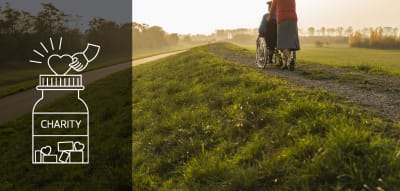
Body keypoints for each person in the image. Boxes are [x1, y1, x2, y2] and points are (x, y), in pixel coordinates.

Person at [268, 0, 300, 70]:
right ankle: (285, 64)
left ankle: (290, 59)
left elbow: (272, 9)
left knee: (282, 44)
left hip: (282, 19)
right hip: (293, 19)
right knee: (290, 42)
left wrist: (269, 18)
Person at [257, 1, 277, 68]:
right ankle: (270, 59)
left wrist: (260, 34)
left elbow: (262, 29)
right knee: (272, 41)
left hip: (268, 39)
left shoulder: (266, 16)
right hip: (278, 40)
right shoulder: (280, 17)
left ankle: (264, 56)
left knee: (260, 37)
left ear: (269, 8)